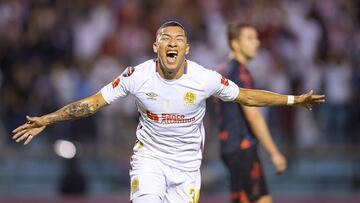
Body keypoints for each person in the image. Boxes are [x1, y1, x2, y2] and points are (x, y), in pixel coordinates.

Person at [12, 21, 325, 203]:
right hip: (150, 160)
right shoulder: (137, 76)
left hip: (188, 168)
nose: (172, 43)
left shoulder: (204, 78)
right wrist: (49, 119)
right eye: (166, 39)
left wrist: (292, 100)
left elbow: (246, 96)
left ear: (186, 49)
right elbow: (93, 103)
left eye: (179, 40)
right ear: (155, 47)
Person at [212, 22, 286, 203]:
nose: (257, 43)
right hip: (242, 148)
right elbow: (254, 117)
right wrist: (274, 152)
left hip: (228, 146)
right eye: (250, 38)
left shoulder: (221, 70)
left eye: (257, 38)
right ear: (235, 43)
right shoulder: (241, 74)